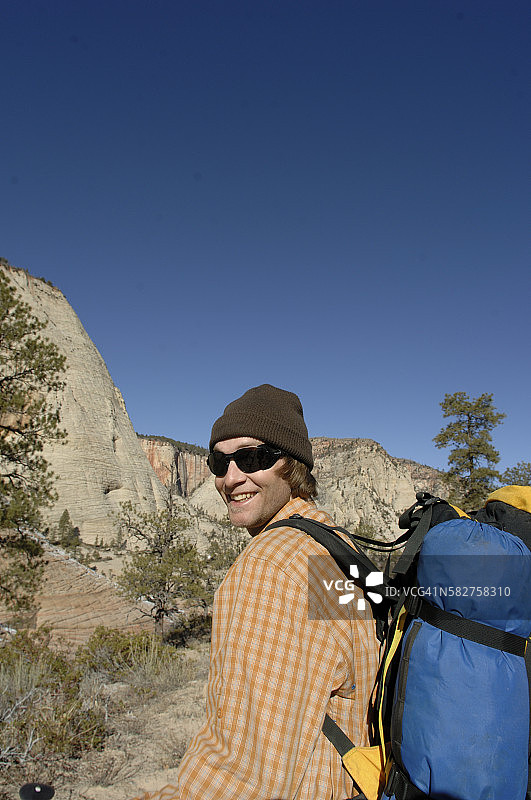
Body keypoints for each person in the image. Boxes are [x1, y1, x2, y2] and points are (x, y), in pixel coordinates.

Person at [130, 384, 379, 800]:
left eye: (252, 458)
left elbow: (241, 777)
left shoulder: (271, 568)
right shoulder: (329, 544)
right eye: (218, 461)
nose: (230, 478)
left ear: (292, 465)